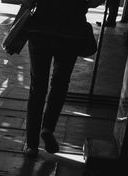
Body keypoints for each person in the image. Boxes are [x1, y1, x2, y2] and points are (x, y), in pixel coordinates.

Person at [21, 0, 104, 157]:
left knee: (37, 87)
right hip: (70, 33)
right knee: (60, 83)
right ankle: (48, 128)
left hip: (40, 30)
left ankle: (31, 145)